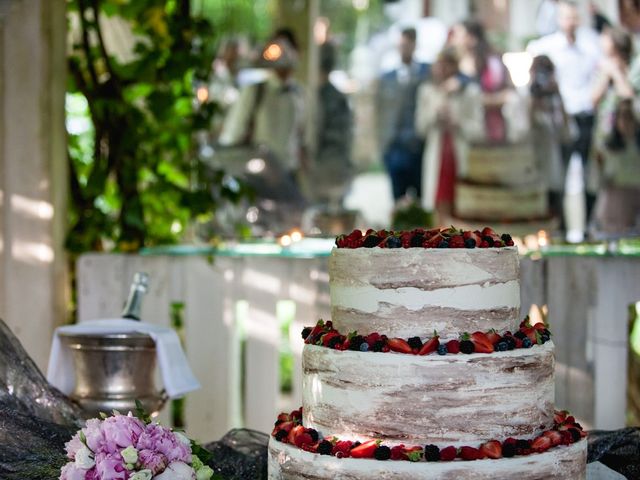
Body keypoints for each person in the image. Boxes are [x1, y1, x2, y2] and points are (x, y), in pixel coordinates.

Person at [527, 0, 601, 218]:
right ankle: (558, 224)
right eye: (566, 17)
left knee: (590, 175)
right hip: (561, 120)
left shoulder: (591, 45)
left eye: (574, 17)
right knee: (558, 173)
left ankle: (588, 224)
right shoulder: (545, 47)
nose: (570, 22)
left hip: (585, 115)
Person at [219, 29, 307, 184]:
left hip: (289, 178)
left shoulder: (300, 95)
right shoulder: (255, 91)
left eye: (288, 48)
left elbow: (306, 139)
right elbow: (232, 132)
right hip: (259, 176)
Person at [415, 48, 484, 222]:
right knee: (437, 205)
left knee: (462, 207)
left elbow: (479, 130)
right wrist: (435, 115)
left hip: (460, 156)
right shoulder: (427, 91)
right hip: (437, 157)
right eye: (439, 65)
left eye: (447, 64)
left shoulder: (469, 91)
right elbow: (420, 128)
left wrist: (457, 122)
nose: (442, 69)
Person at [375, 27, 430, 202]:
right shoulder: (387, 77)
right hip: (395, 146)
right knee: (397, 200)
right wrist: (383, 145)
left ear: (414, 45)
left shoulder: (426, 72)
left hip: (418, 146)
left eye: (407, 45)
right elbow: (380, 112)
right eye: (400, 45)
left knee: (420, 199)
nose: (403, 49)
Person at [449, 20, 513, 143]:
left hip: (489, 128)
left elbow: (505, 94)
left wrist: (478, 100)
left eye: (459, 35)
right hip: (463, 134)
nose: (455, 40)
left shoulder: (492, 63)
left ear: (472, 38)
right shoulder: (453, 64)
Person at [308, 41, 353, 206]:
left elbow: (315, 134)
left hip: (324, 168)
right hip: (336, 167)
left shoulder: (320, 97)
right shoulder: (337, 97)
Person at [529, 55, 570, 223]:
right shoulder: (525, 97)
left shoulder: (555, 101)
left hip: (551, 171)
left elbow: (567, 134)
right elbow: (523, 129)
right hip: (530, 172)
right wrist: (533, 100)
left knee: (555, 212)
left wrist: (558, 96)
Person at [592, 98, 640, 235]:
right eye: (622, 118)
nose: (626, 123)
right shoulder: (607, 147)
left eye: (629, 118)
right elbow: (598, 176)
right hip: (615, 201)